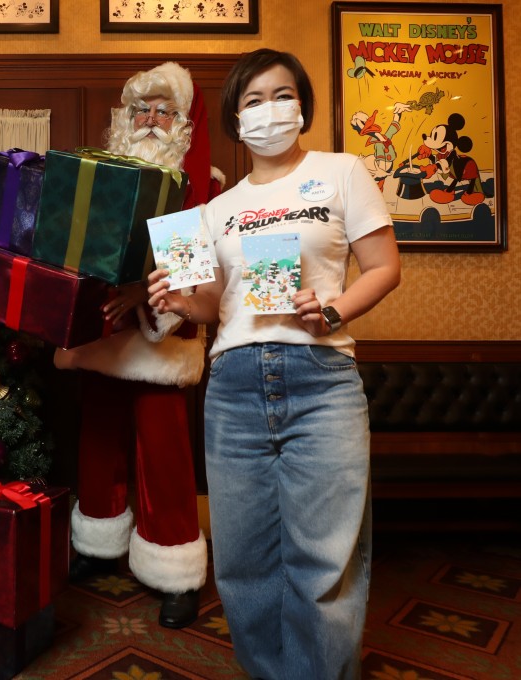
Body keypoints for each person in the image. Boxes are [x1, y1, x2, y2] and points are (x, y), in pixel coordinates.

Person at [148, 49, 401, 679]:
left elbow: (386, 268)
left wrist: (335, 311)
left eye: (281, 95)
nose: (269, 110)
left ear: (302, 105)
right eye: (253, 100)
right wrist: (181, 298)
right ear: (236, 119)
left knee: (323, 560)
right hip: (233, 385)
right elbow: (212, 307)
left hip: (321, 380)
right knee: (244, 564)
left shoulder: (342, 172)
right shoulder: (214, 210)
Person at [54, 62, 221, 629]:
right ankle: (99, 547)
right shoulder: (103, 175)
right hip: (103, 337)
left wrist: (139, 296)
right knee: (98, 443)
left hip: (163, 343)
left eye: (163, 111)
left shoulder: (206, 186)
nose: (150, 120)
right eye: (140, 110)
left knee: (165, 456)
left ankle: (174, 566)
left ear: (183, 123)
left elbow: (200, 275)